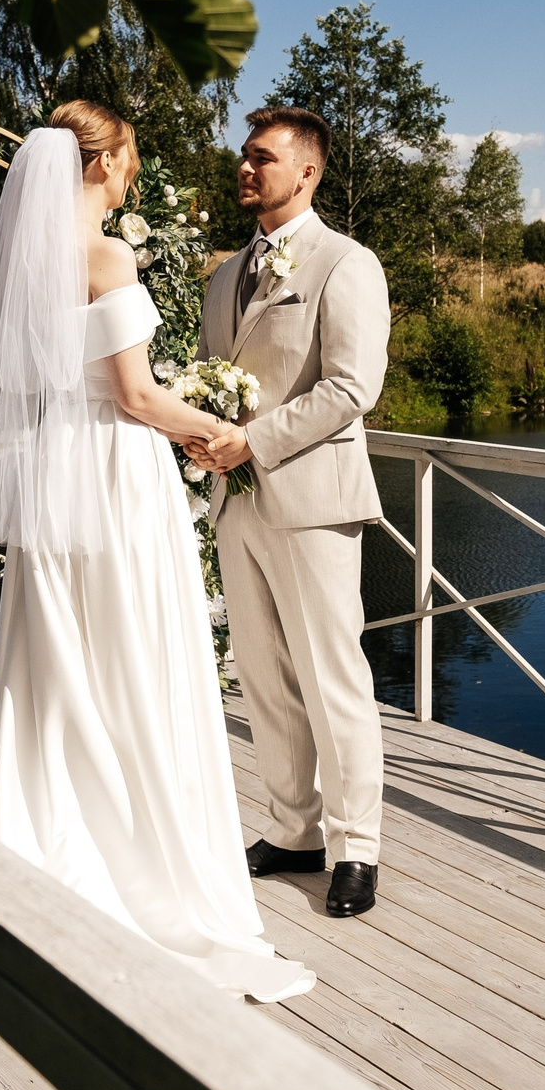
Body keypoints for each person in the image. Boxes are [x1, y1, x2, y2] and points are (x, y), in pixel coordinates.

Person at [0, 103, 314, 1003]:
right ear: (102, 163)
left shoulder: (26, 264)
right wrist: (216, 428)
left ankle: (51, 836)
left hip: (52, 472)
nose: (135, 173)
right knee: (135, 654)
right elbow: (137, 397)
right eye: (131, 158)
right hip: (112, 473)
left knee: (61, 656)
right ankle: (142, 853)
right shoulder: (106, 256)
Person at [187, 107, 392, 918]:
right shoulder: (223, 275)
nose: (246, 167)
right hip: (237, 503)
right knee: (263, 674)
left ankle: (356, 847)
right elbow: (208, 373)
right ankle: (293, 829)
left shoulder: (347, 264)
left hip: (312, 501)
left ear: (307, 170)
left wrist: (252, 440)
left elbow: (351, 388)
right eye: (243, 155)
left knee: (332, 679)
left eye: (262, 157)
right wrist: (204, 435)